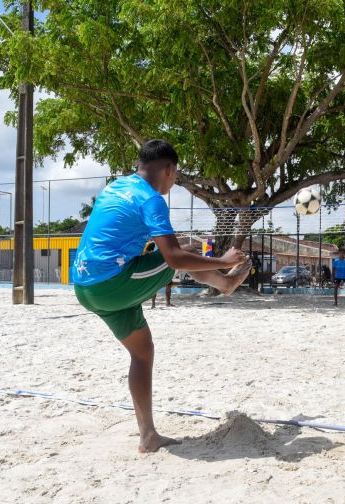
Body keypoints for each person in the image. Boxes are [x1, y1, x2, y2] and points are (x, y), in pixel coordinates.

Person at [73, 139, 251, 453]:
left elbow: (136, 238)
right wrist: (223, 262)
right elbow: (174, 259)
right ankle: (224, 283)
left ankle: (148, 437)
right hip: (112, 283)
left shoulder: (117, 187)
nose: (174, 182)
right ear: (169, 169)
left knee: (143, 353)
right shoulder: (152, 200)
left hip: (84, 286)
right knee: (185, 253)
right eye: (176, 176)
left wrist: (178, 245)